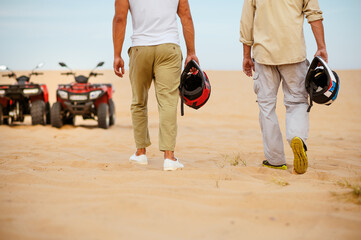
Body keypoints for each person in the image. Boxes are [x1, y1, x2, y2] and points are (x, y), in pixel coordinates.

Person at [239, 0, 327, 174]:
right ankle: (297, 136)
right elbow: (314, 14)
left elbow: (246, 20)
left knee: (266, 107)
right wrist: (321, 47)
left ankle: (275, 160)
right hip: (294, 53)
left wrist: (246, 55)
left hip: (264, 55)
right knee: (297, 102)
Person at [112, 0, 199, 171]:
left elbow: (120, 19)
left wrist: (117, 54)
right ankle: (169, 157)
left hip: (140, 48)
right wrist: (191, 52)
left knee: (139, 101)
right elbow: (186, 16)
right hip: (169, 47)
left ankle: (140, 153)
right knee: (168, 102)